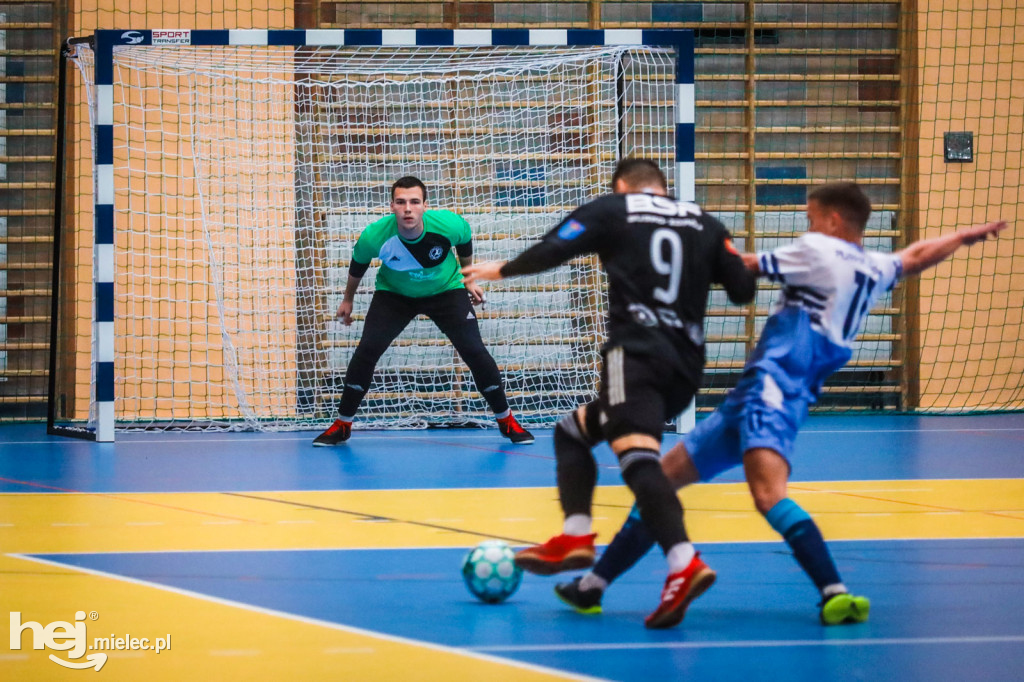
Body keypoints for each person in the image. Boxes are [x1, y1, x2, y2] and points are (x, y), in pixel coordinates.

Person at [553, 181, 1009, 626]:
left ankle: (836, 593)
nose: (805, 226)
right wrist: (961, 238)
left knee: (768, 496)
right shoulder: (872, 267)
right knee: (662, 484)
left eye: (809, 217)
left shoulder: (817, 249)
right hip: (766, 394)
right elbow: (913, 257)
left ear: (831, 220)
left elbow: (746, 266)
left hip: (770, 390)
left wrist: (673, 259)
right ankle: (593, 586)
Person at [462, 158, 757, 628]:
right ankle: (576, 535)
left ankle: (684, 561)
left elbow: (555, 247)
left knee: (638, 458)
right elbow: (743, 290)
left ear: (623, 186)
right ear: (662, 188)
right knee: (571, 432)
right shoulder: (704, 221)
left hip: (635, 357)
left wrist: (503, 270)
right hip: (684, 369)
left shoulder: (614, 209)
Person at [313, 176, 534, 446]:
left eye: (414, 202)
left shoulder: (449, 225)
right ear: (391, 206)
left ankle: (506, 420)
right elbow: (357, 266)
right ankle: (342, 424)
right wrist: (347, 300)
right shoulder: (374, 236)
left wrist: (469, 280)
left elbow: (464, 241)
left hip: (446, 292)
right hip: (395, 296)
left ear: (424, 206)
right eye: (401, 202)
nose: (408, 208)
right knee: (367, 350)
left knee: (474, 351)